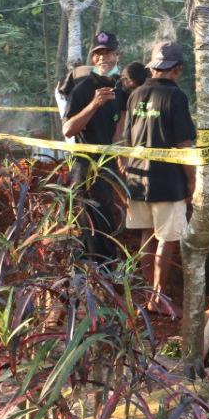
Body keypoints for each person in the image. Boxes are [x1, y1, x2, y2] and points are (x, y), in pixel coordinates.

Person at [122, 41, 197, 309]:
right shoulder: (176, 97)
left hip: (137, 177)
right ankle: (159, 297)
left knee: (146, 234)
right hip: (167, 180)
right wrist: (192, 180)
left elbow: (127, 138)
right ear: (177, 69)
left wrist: (126, 168)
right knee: (168, 237)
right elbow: (184, 144)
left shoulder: (136, 93)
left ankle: (148, 295)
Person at [61, 32, 126, 261]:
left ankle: (106, 273)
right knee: (88, 223)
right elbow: (68, 129)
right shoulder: (82, 88)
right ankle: (89, 273)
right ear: (93, 58)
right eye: (98, 54)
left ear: (117, 56)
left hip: (109, 168)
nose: (103, 58)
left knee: (108, 221)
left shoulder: (121, 88)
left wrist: (121, 158)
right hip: (84, 168)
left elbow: (120, 127)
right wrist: (94, 104)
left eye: (107, 53)